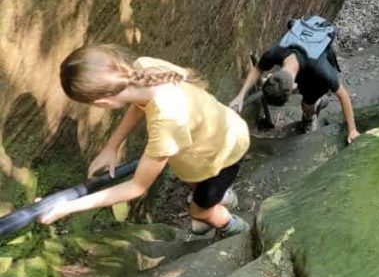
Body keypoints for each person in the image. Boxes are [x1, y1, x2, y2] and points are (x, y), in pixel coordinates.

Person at [36, 45, 249, 237]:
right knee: (196, 181)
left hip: (223, 155)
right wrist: (112, 146)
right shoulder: (144, 68)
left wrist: (67, 207)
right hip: (218, 134)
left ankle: (237, 229)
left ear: (103, 102)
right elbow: (140, 104)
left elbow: (137, 187)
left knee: (199, 211)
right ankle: (221, 194)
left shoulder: (167, 119)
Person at [230, 20, 359, 143]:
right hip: (303, 54)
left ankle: (311, 114)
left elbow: (343, 95)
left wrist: (352, 130)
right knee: (303, 94)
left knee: (307, 105)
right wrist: (240, 96)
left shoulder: (321, 70)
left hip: (315, 77)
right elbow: (258, 69)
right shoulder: (275, 53)